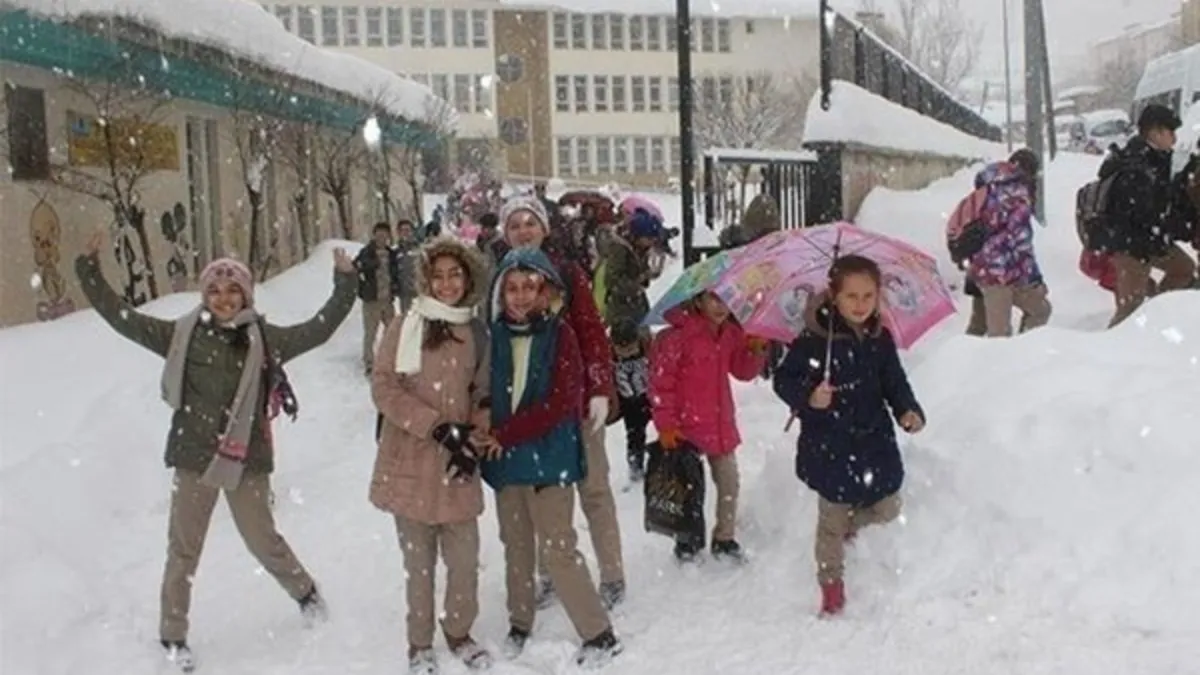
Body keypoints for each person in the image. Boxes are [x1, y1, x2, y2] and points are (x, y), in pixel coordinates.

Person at [75, 231, 358, 671]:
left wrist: (345, 281)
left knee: (263, 540)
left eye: (232, 290)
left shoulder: (265, 339)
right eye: (214, 290)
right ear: (205, 295)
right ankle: (173, 634)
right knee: (183, 549)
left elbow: (319, 330)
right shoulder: (181, 335)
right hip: (194, 456)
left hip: (247, 459)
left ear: (245, 295)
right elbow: (121, 317)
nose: (224, 298)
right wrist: (89, 269)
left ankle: (305, 593)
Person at [479, 247, 623, 667]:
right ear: (501, 293)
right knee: (516, 544)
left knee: (559, 548)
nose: (521, 297)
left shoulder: (562, 337)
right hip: (508, 462)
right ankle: (519, 620)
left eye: (530, 287)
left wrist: (505, 433)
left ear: (546, 292)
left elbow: (559, 403)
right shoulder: (494, 337)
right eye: (513, 288)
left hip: (550, 457)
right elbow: (483, 390)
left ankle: (598, 632)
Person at [771, 255, 925, 617]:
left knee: (888, 507)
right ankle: (831, 586)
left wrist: (908, 409)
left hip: (873, 441)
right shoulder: (815, 340)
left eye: (868, 296)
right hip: (831, 444)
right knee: (831, 520)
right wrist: (811, 396)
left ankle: (853, 526)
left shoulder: (879, 337)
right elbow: (784, 379)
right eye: (851, 296)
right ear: (834, 296)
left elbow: (894, 382)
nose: (860, 305)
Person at [370, 236, 491, 674]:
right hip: (411, 460)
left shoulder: (476, 329)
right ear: (426, 279)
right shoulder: (405, 326)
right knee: (418, 564)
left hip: (458, 461)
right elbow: (384, 387)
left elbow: (485, 393)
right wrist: (435, 425)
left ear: (468, 278)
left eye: (454, 274)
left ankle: (459, 631)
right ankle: (419, 643)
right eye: (437, 276)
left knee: (463, 560)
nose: (445, 284)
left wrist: (474, 436)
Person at [497, 196, 625, 608]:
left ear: (544, 228)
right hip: (532, 408)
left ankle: (612, 573)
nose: (522, 230)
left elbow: (592, 333)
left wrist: (601, 388)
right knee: (541, 494)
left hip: (577, 403)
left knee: (594, 490)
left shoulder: (568, 274)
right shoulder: (501, 279)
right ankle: (550, 571)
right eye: (514, 224)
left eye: (529, 222)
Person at [648, 291, 768, 563]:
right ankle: (687, 539)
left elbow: (743, 371)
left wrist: (755, 349)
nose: (721, 307)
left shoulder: (730, 334)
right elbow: (661, 385)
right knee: (689, 489)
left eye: (727, 300)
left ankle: (724, 538)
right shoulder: (677, 337)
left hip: (719, 423)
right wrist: (666, 424)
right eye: (714, 299)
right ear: (698, 301)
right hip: (684, 427)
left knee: (729, 483)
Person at [1089, 104, 1196, 327]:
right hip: (1130, 246)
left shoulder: (1159, 159)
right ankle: (1111, 349)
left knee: (1183, 269)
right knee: (1129, 308)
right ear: (1155, 132)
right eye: (1171, 133)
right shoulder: (1135, 165)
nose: (1175, 139)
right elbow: (1150, 212)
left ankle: (1157, 314)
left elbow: (1170, 202)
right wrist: (1180, 228)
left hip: (1152, 240)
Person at [966, 148, 1052, 337]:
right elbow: (1020, 243)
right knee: (1003, 334)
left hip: (979, 268)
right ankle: (1021, 353)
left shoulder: (987, 185)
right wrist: (1035, 280)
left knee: (978, 327)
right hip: (999, 273)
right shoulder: (1017, 194)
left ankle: (964, 361)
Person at [600, 209, 664, 331]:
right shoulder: (619, 249)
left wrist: (648, 273)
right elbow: (611, 280)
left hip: (637, 304)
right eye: (649, 239)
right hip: (622, 308)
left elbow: (639, 272)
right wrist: (638, 281)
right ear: (638, 236)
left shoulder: (640, 249)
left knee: (643, 340)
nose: (652, 243)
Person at [355, 222, 405, 375]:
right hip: (372, 300)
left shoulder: (391, 254)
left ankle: (389, 361)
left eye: (385, 235)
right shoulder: (366, 252)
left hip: (387, 300)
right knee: (370, 333)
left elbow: (396, 273)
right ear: (374, 235)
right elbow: (357, 267)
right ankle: (369, 363)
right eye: (379, 234)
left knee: (391, 332)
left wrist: (396, 287)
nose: (382, 237)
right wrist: (372, 264)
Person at [610, 319, 652, 482]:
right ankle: (636, 466)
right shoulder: (610, 356)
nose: (627, 353)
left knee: (666, 427)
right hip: (629, 403)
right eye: (621, 349)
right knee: (635, 435)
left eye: (630, 348)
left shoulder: (648, 348)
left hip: (651, 397)